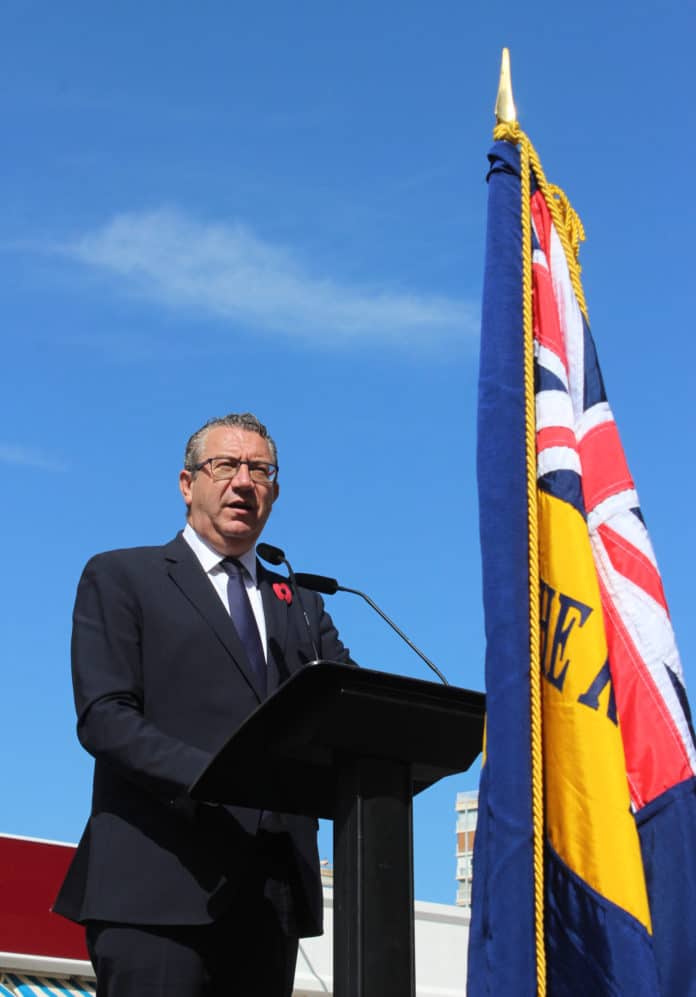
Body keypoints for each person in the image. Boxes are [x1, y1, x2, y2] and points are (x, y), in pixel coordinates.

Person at [54, 412, 352, 996]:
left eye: (260, 470)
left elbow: (354, 712)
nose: (243, 481)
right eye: (225, 466)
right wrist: (219, 777)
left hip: (269, 898)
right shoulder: (123, 576)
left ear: (275, 492)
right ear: (188, 484)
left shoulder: (301, 604)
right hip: (156, 890)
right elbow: (105, 717)